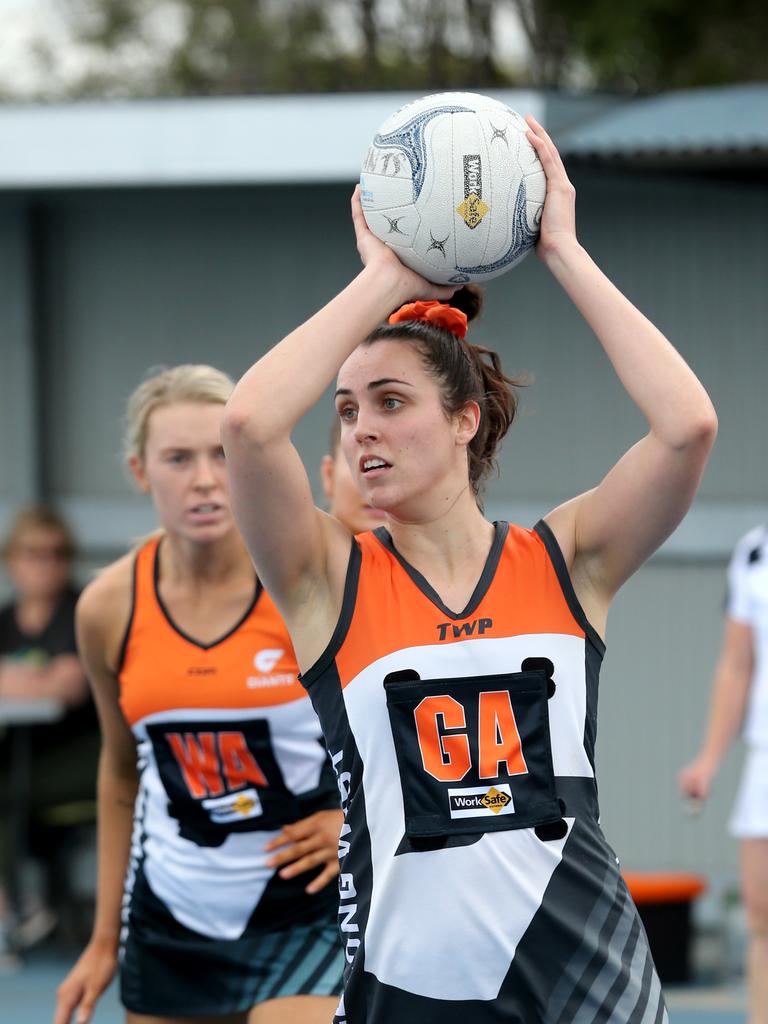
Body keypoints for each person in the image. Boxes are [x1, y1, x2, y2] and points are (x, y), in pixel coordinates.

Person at [221, 116, 717, 1023]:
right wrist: (385, 276)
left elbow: (687, 427)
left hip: (586, 985)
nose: (360, 427)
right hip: (411, 995)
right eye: (344, 409)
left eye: (391, 401)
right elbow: (249, 426)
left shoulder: (567, 560)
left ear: (466, 420)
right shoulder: (328, 581)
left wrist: (561, 248)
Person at [54, 365, 344, 1024]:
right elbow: (120, 769)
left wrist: (355, 824)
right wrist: (104, 941)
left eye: (221, 453)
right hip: (173, 916)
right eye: (178, 459)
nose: (206, 480)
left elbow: (395, 727)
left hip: (308, 906)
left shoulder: (308, 579)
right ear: (140, 471)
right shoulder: (108, 607)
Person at [0, 505, 98, 970]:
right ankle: (18, 906)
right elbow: (51, 676)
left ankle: (14, 909)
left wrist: (12, 674)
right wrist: (35, 677)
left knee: (8, 792)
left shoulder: (81, 610)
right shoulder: (6, 618)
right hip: (25, 754)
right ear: (12, 559)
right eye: (34, 552)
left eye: (57, 554)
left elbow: (69, 684)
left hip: (84, 756)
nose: (46, 562)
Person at [679, 526, 768, 1024]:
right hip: (765, 755)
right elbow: (737, 665)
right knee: (763, 915)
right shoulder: (755, 551)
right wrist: (708, 759)